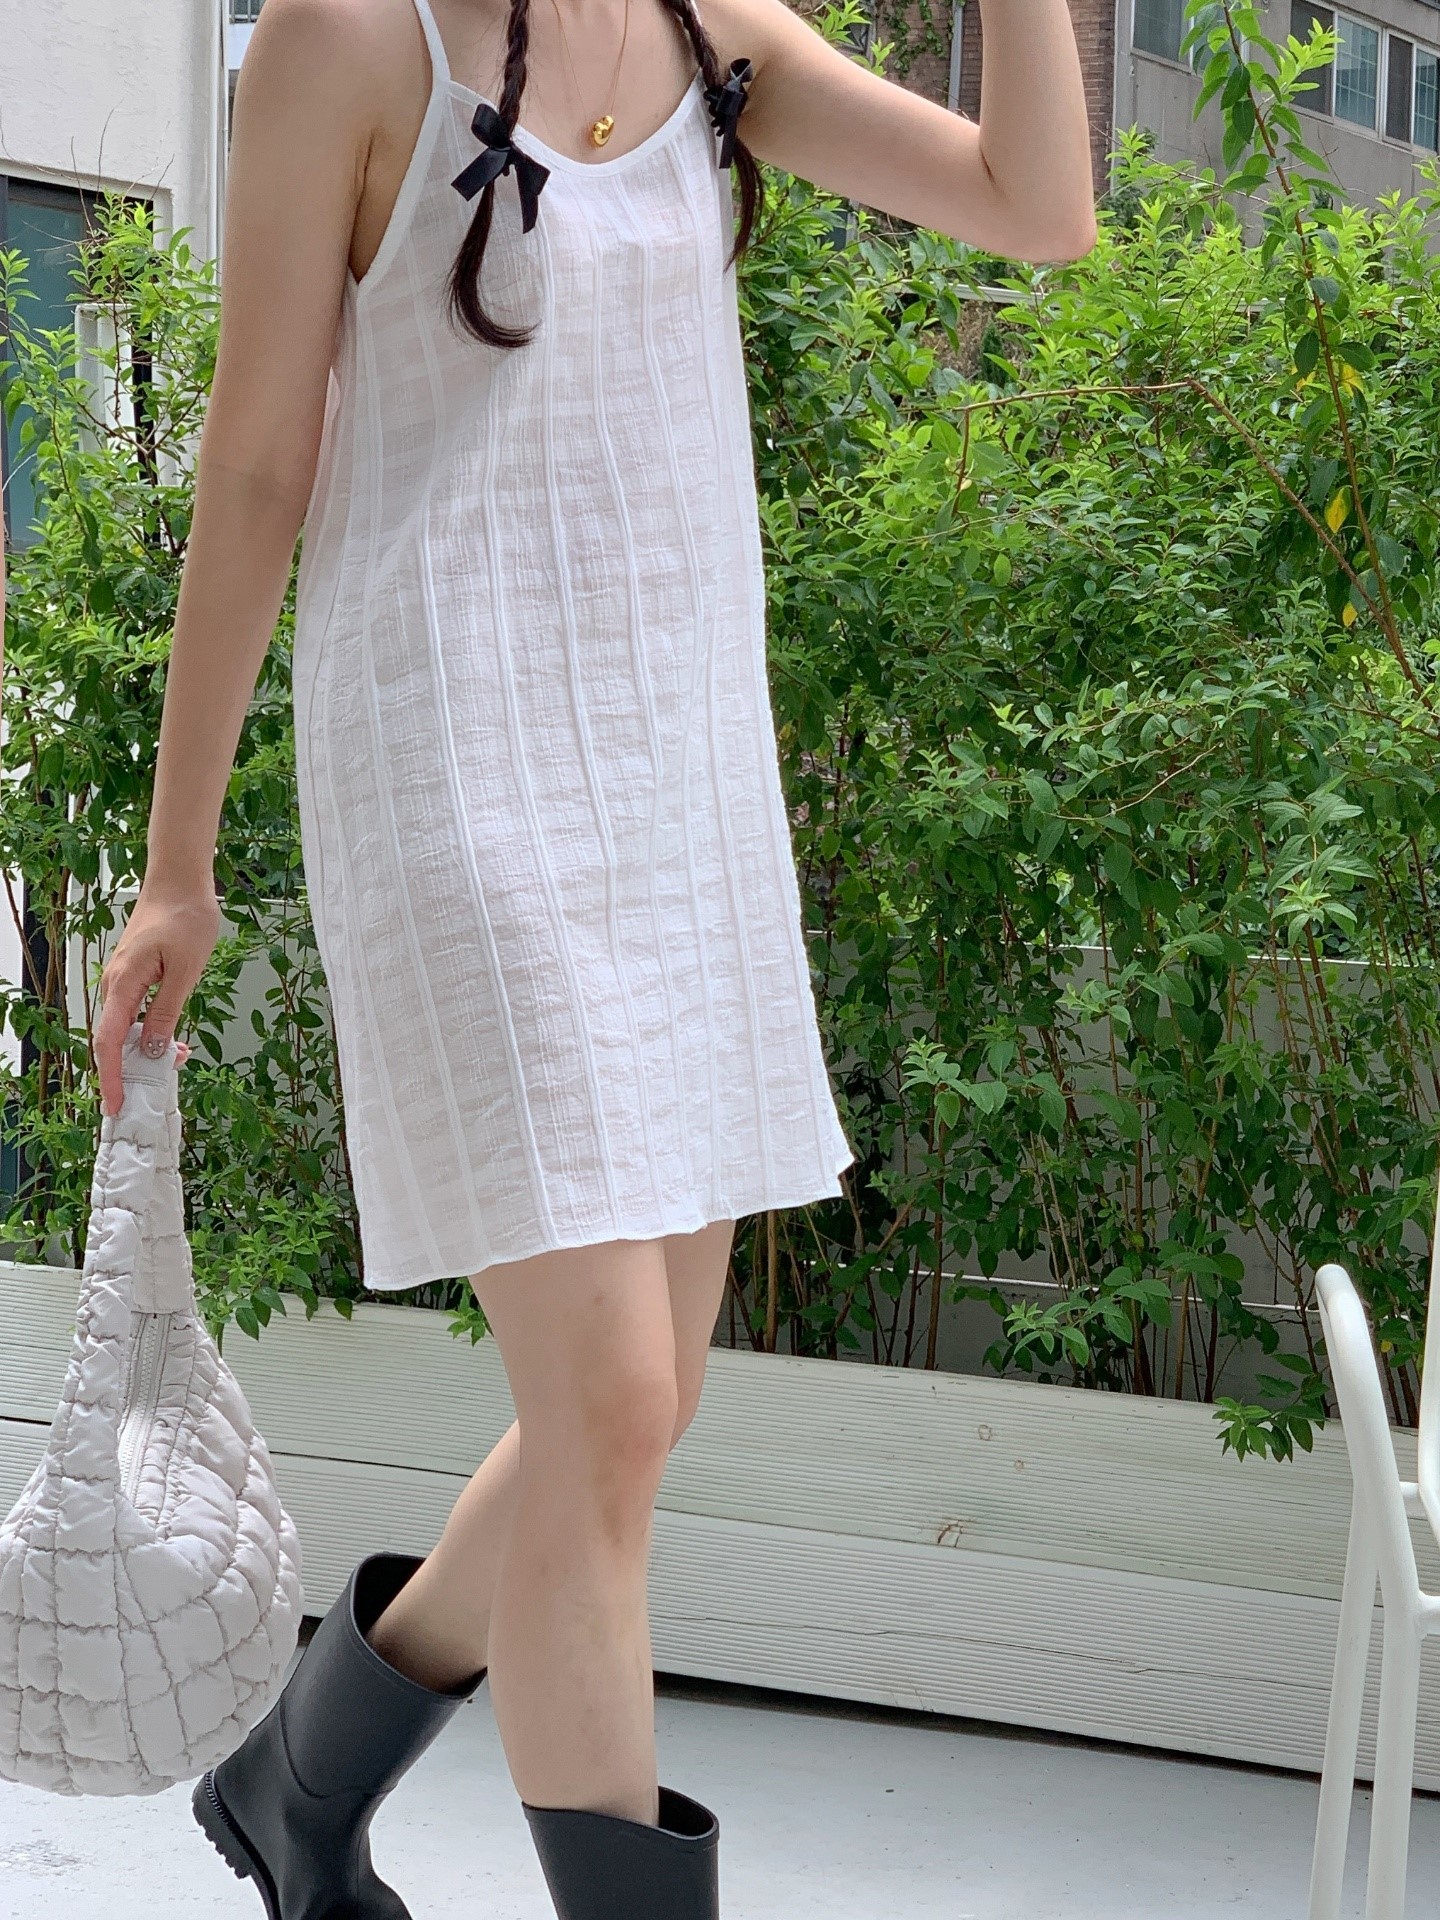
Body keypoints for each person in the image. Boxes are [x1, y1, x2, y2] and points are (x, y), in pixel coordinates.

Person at [92, 0, 1094, 1911]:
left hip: (672, 788)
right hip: (453, 766)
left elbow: (1034, 207)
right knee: (616, 1406)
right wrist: (177, 863)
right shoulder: (342, 40)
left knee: (624, 1423)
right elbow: (258, 458)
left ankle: (299, 1782)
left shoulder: (709, 28)